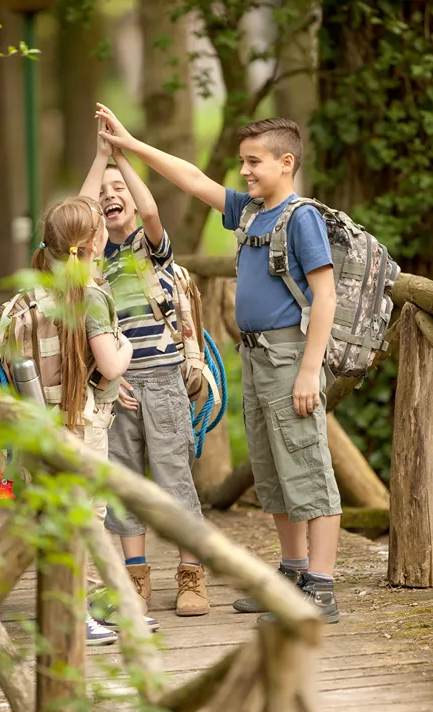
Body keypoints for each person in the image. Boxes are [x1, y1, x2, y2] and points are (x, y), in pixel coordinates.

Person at [96, 105, 342, 623]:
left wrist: (307, 370)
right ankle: (292, 572)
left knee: (307, 468)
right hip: (254, 357)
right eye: (242, 163)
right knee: (272, 472)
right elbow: (190, 179)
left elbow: (325, 297)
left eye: (254, 162)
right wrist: (132, 145)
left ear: (286, 162)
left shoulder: (302, 218)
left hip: (288, 357)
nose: (245, 171)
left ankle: (321, 586)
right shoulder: (250, 211)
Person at [79, 115, 210, 619]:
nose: (111, 195)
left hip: (164, 382)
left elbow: (151, 207)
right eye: (105, 192)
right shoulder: (92, 258)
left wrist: (124, 153)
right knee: (126, 482)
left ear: (131, 201)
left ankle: (191, 575)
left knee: (175, 479)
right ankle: (134, 581)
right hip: (118, 385)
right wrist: (99, 158)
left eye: (120, 190)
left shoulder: (150, 249)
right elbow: (82, 210)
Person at [33, 186, 134, 644]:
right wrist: (126, 346)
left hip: (52, 415)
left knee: (63, 513)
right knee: (87, 515)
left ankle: (77, 607)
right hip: (82, 421)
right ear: (95, 243)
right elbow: (110, 363)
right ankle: (76, 616)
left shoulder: (50, 286)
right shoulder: (89, 294)